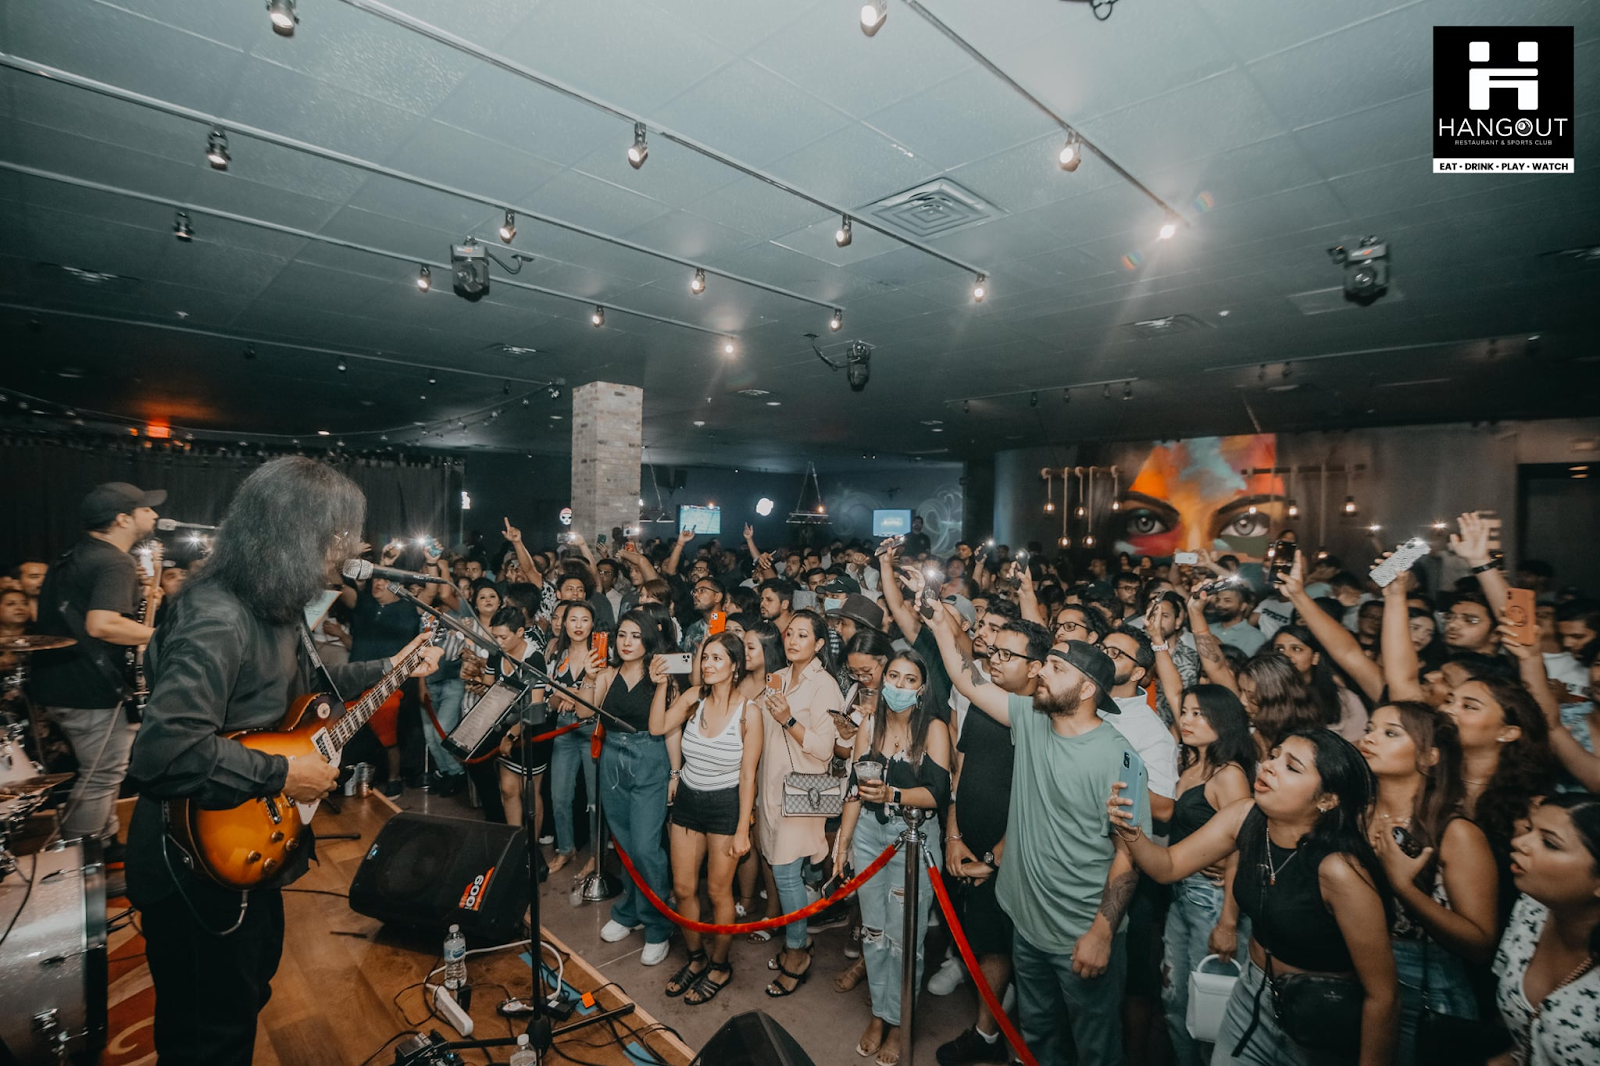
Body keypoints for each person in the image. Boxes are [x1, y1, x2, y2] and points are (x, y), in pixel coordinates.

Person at [125, 457, 441, 1065]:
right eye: (335, 538)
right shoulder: (217, 616)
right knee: (206, 1035)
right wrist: (283, 773)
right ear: (291, 535)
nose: (345, 552)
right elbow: (165, 753)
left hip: (246, 843)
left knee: (243, 995)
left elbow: (315, 688)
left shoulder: (276, 606)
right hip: (192, 859)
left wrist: (393, 666)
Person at [929, 598, 1147, 1066]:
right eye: (1045, 664)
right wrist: (940, 628)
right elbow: (968, 681)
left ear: (1087, 689)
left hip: (1080, 934)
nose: (1042, 674)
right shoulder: (1031, 719)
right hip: (1027, 925)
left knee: (1093, 1048)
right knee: (1039, 1039)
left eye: (1055, 668)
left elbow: (1129, 856)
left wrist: (1103, 933)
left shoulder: (1120, 759)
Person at [1108, 729, 1399, 1066]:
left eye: (1292, 767)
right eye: (1274, 756)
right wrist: (1132, 832)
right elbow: (1168, 865)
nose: (1270, 767)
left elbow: (1384, 995)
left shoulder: (1340, 871)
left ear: (1327, 799)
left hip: (1318, 1013)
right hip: (1251, 992)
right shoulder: (1246, 817)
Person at [936, 618, 1053, 1066]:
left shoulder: (1044, 719)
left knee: (1030, 961)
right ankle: (987, 1034)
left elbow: (1038, 800)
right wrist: (953, 834)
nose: (994, 659)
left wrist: (993, 858)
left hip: (1014, 862)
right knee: (990, 948)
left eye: (1007, 655)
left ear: (1037, 667)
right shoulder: (987, 705)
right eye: (994, 650)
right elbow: (961, 773)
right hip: (969, 849)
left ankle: (1032, 1049)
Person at [1357, 701, 1498, 1066]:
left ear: (1430, 756)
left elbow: (1480, 943)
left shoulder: (1455, 833)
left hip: (1425, 992)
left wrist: (1404, 886)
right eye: (1370, 728)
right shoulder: (1356, 814)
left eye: (1390, 733)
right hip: (1352, 977)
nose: (1370, 738)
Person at [30, 481, 164, 861]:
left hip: (61, 684)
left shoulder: (74, 554)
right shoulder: (112, 560)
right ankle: (79, 861)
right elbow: (102, 625)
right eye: (145, 509)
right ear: (123, 519)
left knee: (100, 771)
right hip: (89, 688)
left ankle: (103, 842)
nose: (153, 515)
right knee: (101, 775)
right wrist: (161, 635)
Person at [834, 650, 952, 1066]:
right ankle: (879, 1015)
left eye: (909, 680)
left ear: (921, 689)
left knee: (906, 940)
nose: (898, 686)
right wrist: (844, 840)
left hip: (913, 840)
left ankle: (901, 1021)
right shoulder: (870, 724)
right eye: (894, 677)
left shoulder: (934, 728)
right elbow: (854, 785)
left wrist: (893, 794)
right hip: (869, 835)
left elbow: (938, 794)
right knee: (874, 932)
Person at [651, 632, 760, 1006]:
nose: (708, 665)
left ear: (734, 666)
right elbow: (656, 728)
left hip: (726, 806)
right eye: (705, 658)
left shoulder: (750, 712)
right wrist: (660, 687)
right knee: (683, 888)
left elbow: (749, 775)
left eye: (717, 659)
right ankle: (696, 959)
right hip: (687, 803)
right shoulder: (692, 697)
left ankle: (719, 965)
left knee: (717, 893)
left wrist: (744, 826)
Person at [1162, 686, 1254, 1066]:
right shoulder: (1191, 762)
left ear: (1224, 722)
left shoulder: (1229, 775)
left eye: (1198, 714)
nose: (1186, 720)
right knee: (1173, 998)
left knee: (1211, 1009)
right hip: (1182, 893)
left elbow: (1242, 849)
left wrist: (1228, 923)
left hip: (1213, 902)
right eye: (1185, 712)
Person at [754, 610, 842, 995]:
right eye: (789, 634)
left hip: (804, 788)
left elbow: (826, 749)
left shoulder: (825, 687)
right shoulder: (779, 676)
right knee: (779, 867)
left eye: (802, 635)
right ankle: (800, 938)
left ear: (819, 644)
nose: (792, 640)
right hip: (771, 786)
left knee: (788, 875)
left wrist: (790, 720)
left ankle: (796, 952)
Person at [1489, 792, 1600, 1066]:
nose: (1519, 842)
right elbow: (1521, 1033)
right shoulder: (1531, 910)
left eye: (1549, 843)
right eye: (1528, 830)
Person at [589, 610, 674, 966]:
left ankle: (658, 926)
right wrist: (591, 678)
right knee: (623, 844)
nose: (626, 642)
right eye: (621, 635)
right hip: (612, 759)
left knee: (645, 846)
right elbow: (593, 713)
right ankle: (630, 910)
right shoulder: (608, 673)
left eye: (635, 636)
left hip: (649, 760)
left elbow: (669, 728)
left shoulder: (660, 675)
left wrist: (676, 774)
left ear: (648, 641)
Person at [546, 599, 600, 874]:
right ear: (564, 623)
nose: (578, 625)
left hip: (592, 730)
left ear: (593, 624)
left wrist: (571, 695)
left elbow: (600, 697)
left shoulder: (600, 653)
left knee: (593, 800)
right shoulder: (556, 651)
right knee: (559, 796)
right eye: (573, 619)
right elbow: (549, 699)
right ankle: (565, 848)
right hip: (563, 730)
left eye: (584, 619)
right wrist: (560, 698)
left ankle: (595, 856)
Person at [487, 607, 550, 832]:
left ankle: (530, 850)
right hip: (504, 729)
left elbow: (535, 708)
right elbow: (489, 687)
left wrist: (511, 735)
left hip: (529, 733)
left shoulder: (533, 659)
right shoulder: (496, 654)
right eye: (495, 636)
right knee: (507, 789)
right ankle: (514, 841)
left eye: (503, 637)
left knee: (529, 793)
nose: (498, 641)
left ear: (520, 632)